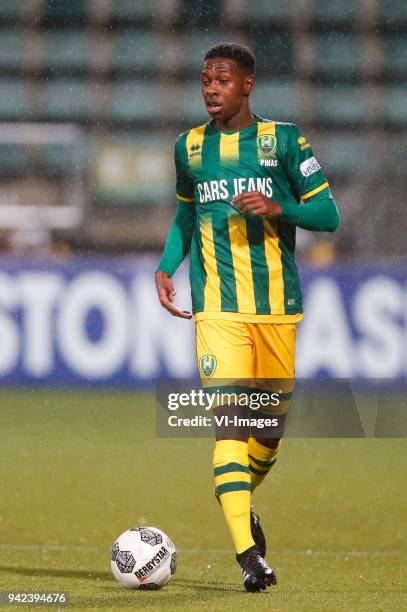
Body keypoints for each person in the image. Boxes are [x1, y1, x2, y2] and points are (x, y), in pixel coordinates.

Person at [155, 42, 339, 592]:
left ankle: (238, 497)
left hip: (278, 311)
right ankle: (248, 556)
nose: (211, 88)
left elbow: (328, 215)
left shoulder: (282, 141)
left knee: (268, 437)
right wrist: (167, 267)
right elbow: (185, 217)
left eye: (222, 80)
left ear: (247, 85)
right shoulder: (188, 147)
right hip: (218, 310)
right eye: (205, 79)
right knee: (231, 423)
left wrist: (282, 207)